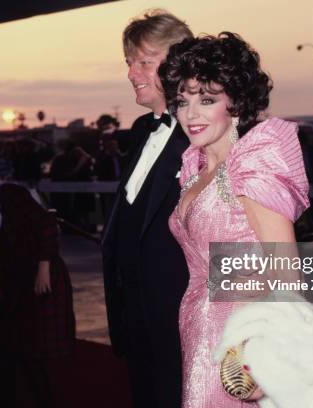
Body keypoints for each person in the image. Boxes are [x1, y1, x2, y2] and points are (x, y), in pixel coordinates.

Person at [158, 33, 310, 406]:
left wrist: (266, 354)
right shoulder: (194, 167)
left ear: (236, 104)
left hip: (241, 337)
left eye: (207, 99)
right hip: (198, 326)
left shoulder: (251, 163)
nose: (190, 114)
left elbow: (286, 270)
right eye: (182, 101)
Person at [101, 9, 193, 408]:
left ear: (178, 63)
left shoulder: (205, 136)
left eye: (143, 61)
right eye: (128, 63)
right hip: (134, 311)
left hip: (179, 319)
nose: (131, 73)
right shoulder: (141, 131)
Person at [0, 159, 75, 408]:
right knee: (9, 347)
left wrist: (43, 267)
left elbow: (46, 223)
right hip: (18, 288)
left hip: (37, 282)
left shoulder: (7, 195)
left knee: (21, 350)